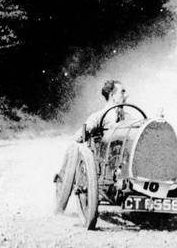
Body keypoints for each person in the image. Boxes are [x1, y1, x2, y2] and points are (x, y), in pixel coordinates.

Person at [54, 80, 129, 214]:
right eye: (122, 92)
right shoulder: (99, 116)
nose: (126, 95)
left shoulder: (129, 118)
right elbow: (80, 134)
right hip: (106, 162)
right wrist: (87, 130)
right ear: (112, 95)